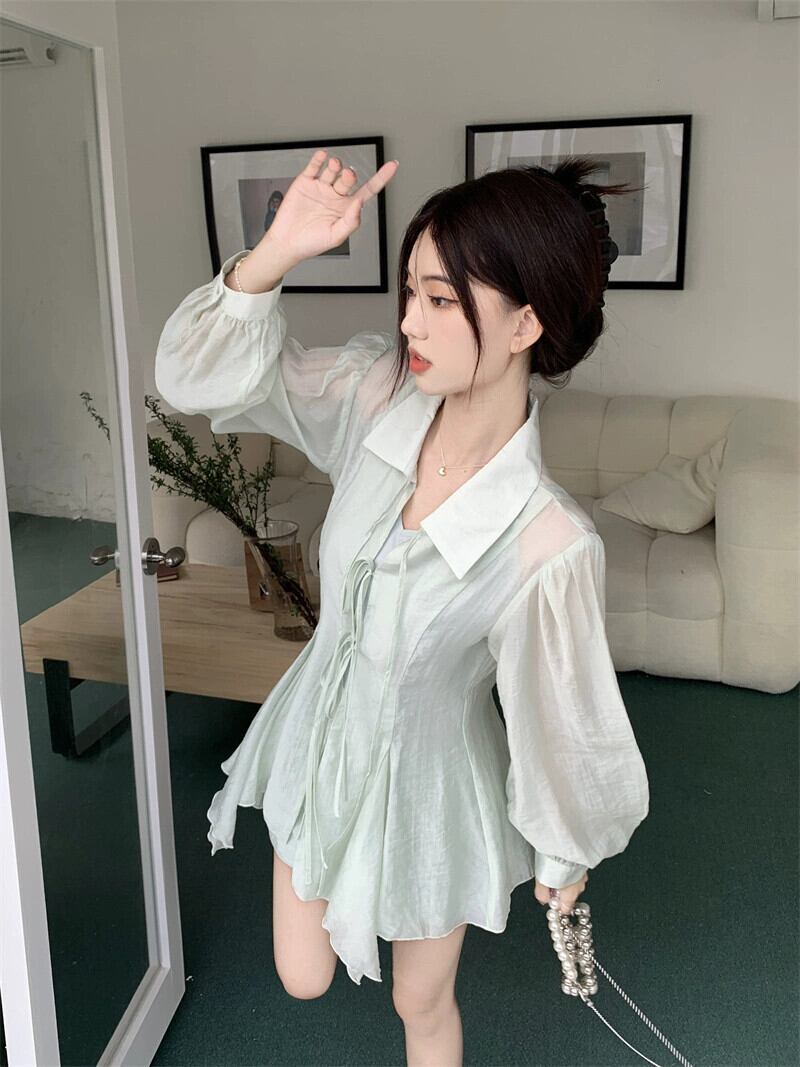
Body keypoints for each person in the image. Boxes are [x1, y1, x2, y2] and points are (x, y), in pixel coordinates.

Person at [154, 148, 649, 1067]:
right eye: (409, 293)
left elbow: (560, 715)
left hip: (430, 781)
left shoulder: (548, 543)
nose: (411, 321)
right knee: (303, 975)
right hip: (314, 738)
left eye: (442, 299)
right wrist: (274, 252)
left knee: (421, 1001)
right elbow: (197, 382)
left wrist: (564, 853)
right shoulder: (374, 392)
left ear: (526, 322)